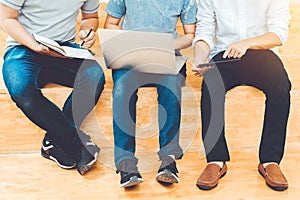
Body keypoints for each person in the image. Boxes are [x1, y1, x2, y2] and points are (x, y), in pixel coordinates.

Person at [192, 0, 291, 191]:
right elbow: (204, 32)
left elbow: (278, 34)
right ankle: (216, 160)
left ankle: (270, 161)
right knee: (211, 83)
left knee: (280, 85)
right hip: (225, 54)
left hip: (262, 53)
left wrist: (247, 43)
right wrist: (199, 59)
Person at [0, 0, 105, 175]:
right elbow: (6, 18)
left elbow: (91, 17)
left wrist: (87, 31)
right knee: (20, 89)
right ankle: (73, 140)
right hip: (24, 47)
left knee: (95, 76)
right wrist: (34, 45)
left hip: (63, 50)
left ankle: (53, 140)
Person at [104, 0, 197, 188]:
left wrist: (165, 46)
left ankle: (168, 161)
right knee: (122, 89)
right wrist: (131, 43)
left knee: (171, 88)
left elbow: (190, 35)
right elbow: (111, 24)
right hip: (131, 56)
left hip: (166, 55)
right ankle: (125, 162)